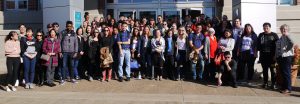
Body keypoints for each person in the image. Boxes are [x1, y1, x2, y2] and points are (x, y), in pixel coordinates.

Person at [257, 22, 279, 89]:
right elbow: (258, 45)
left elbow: (277, 45)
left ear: (270, 27)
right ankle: (265, 83)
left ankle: (273, 84)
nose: (265, 28)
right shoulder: (261, 35)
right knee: (265, 70)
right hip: (263, 56)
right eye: (264, 27)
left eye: (267, 27)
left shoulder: (274, 35)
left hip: (272, 56)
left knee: (273, 70)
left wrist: (275, 56)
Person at [275, 24, 294, 94]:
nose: (283, 30)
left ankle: (288, 88)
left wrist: (287, 49)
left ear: (287, 30)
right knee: (283, 73)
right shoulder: (281, 37)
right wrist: (276, 56)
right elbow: (278, 48)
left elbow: (292, 43)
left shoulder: (287, 35)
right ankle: (284, 87)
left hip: (287, 57)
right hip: (281, 57)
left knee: (287, 73)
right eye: (282, 29)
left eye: (285, 29)